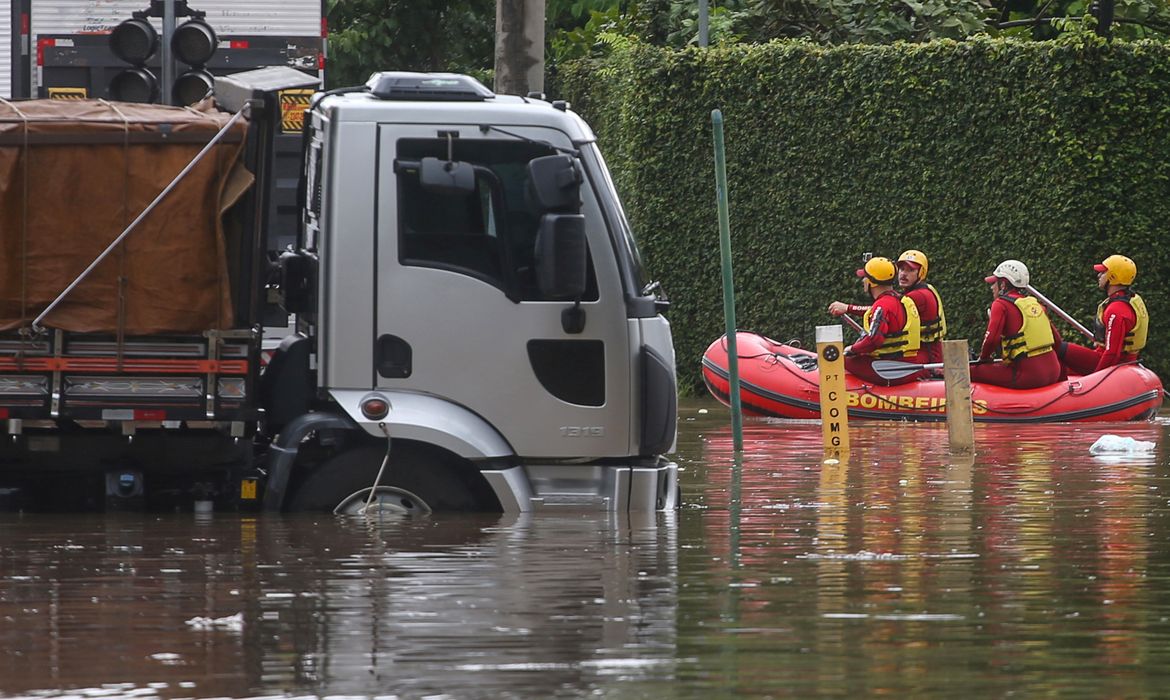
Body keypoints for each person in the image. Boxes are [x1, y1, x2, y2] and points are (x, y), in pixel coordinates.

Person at [828, 257, 923, 386]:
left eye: (865, 278)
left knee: (835, 360)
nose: (863, 281)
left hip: (889, 369)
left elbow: (874, 340)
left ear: (870, 282)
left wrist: (851, 349)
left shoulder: (883, 305)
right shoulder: (899, 300)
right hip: (906, 365)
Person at [970, 259, 1063, 389]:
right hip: (1054, 371)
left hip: (1030, 377)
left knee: (970, 371)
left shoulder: (1000, 304)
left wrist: (983, 359)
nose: (992, 287)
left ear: (1002, 284)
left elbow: (991, 340)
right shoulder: (1036, 304)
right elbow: (1057, 341)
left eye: (994, 283)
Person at [1057, 255, 1147, 375]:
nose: (1099, 276)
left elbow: (1112, 353)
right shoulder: (1131, 299)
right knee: (1062, 364)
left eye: (1103, 272)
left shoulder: (1116, 310)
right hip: (1119, 359)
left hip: (1111, 362)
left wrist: (1096, 379)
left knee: (1058, 347)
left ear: (1113, 277)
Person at [896, 249, 946, 364]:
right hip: (930, 352)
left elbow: (884, 311)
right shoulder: (927, 288)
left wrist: (849, 308)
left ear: (921, 273)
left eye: (910, 270)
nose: (903, 274)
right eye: (902, 269)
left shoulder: (918, 296)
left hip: (927, 356)